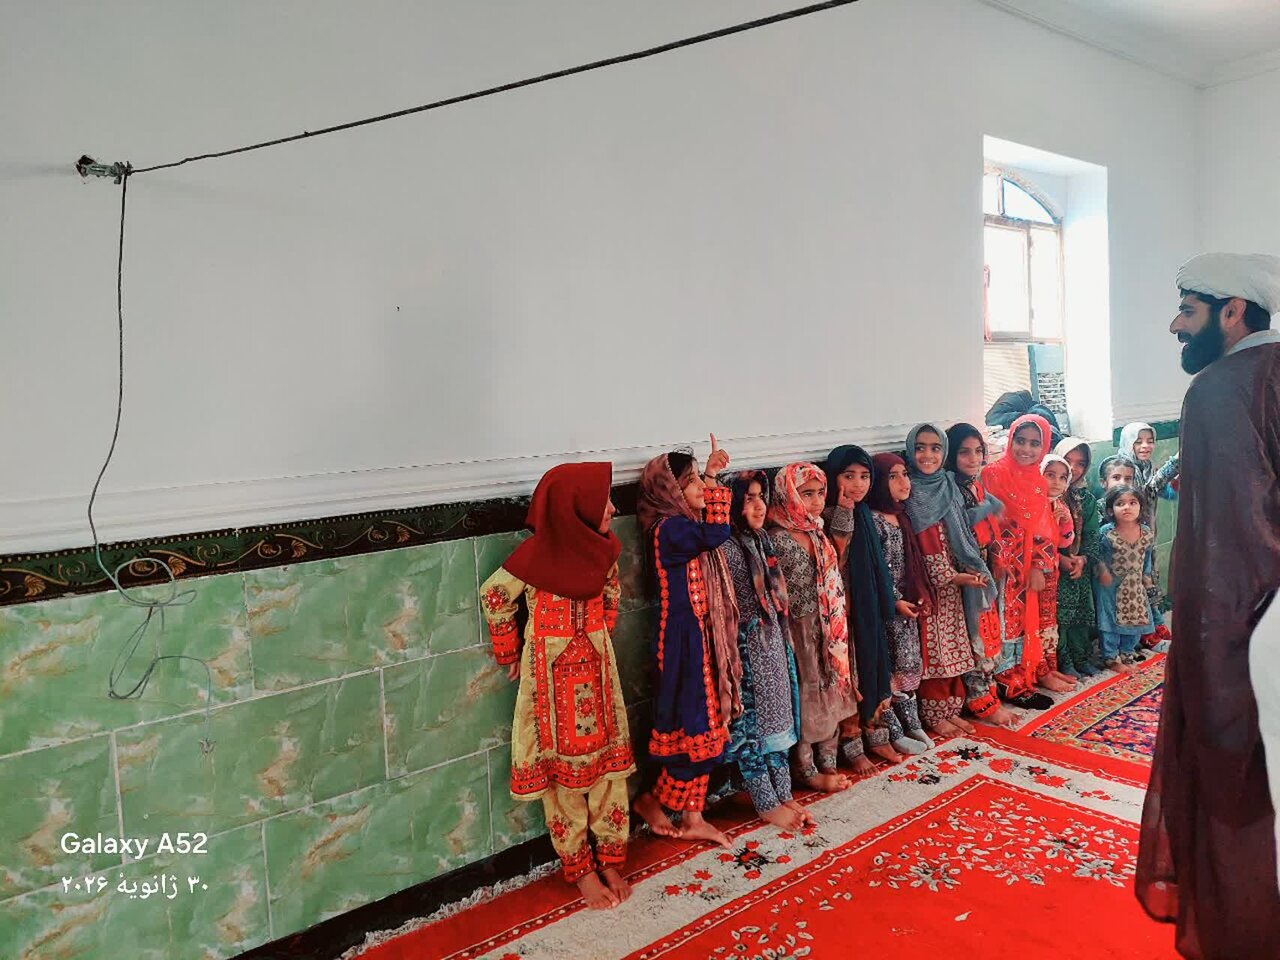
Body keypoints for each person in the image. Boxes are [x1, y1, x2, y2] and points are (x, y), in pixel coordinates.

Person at [1137, 252, 1280, 957]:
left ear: (1233, 311)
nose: (1175, 326)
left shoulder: (1222, 389)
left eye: (1187, 311)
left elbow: (1227, 545)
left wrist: (1207, 654)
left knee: (1235, 791)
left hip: (1250, 632)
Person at [479, 462, 635, 908]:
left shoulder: (605, 550)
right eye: (603, 501)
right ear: (576, 507)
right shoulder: (536, 555)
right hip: (550, 683)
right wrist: (509, 650)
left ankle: (610, 855)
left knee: (609, 764)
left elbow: (611, 589)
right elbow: (495, 595)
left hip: (598, 674)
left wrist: (601, 629)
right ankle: (580, 867)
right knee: (562, 773)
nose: (612, 508)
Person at [633, 439, 740, 849]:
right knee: (695, 721)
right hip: (684, 639)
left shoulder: (682, 526)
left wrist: (708, 477)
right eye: (690, 481)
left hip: (698, 633)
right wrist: (714, 478)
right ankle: (653, 799)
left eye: (698, 479)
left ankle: (691, 814)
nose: (698, 487)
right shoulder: (671, 529)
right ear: (669, 492)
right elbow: (717, 532)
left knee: (704, 723)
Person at [719, 470, 813, 830]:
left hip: (772, 640)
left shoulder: (760, 539)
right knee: (752, 726)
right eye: (749, 499)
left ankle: (783, 793)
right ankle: (765, 801)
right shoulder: (727, 547)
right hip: (745, 646)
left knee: (779, 719)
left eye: (761, 497)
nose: (759, 506)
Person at [769, 462, 861, 786]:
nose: (817, 501)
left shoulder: (817, 531)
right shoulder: (777, 538)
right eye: (806, 494)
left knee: (831, 684)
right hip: (799, 629)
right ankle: (805, 766)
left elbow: (838, 562)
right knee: (806, 691)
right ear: (788, 495)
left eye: (821, 493)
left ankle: (828, 756)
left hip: (828, 625)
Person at [825, 445, 919, 759]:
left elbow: (879, 566)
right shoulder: (826, 514)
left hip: (864, 607)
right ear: (833, 477)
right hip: (838, 612)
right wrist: (842, 513)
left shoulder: (864, 513)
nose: (858, 484)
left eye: (864, 476)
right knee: (848, 674)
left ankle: (876, 732)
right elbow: (836, 561)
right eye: (848, 476)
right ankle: (852, 742)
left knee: (872, 665)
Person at [903, 423, 996, 737]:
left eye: (935, 448)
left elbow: (962, 532)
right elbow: (923, 543)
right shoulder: (913, 490)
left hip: (958, 583)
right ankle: (934, 713)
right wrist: (953, 576)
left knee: (957, 648)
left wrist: (968, 569)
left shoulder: (947, 483)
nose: (928, 455)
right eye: (920, 447)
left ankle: (951, 708)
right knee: (936, 652)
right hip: (932, 586)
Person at [867, 452, 937, 750]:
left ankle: (913, 723)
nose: (903, 482)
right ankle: (893, 730)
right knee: (891, 669)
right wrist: (895, 600)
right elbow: (877, 569)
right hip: (887, 608)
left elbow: (912, 561)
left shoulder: (902, 515)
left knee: (908, 665)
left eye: (905, 474)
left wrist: (919, 591)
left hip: (907, 606)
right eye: (893, 476)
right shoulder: (873, 520)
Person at [1093, 485, 1157, 674]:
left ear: (1141, 507)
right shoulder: (1106, 533)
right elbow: (1096, 555)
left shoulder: (1146, 533)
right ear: (1110, 510)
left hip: (1135, 585)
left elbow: (1146, 557)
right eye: (1120, 504)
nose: (1127, 507)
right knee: (1110, 621)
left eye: (1132, 503)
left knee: (1136, 618)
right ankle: (1111, 657)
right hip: (1111, 586)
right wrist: (1102, 570)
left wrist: (1146, 577)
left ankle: (1127, 653)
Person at [1053, 437, 1103, 678]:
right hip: (1054, 570)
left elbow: (1093, 534)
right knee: (1061, 617)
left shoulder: (1087, 500)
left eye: (1080, 463)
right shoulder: (1049, 497)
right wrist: (1060, 559)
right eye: (1067, 460)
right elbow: (1039, 537)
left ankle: (1081, 658)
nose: (1073, 468)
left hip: (1079, 568)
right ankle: (1064, 661)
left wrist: (1083, 559)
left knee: (1082, 613)